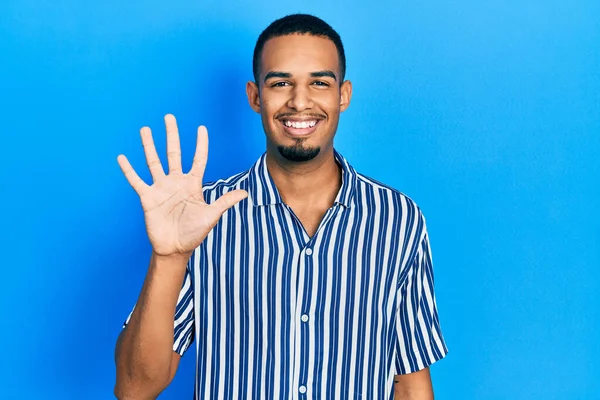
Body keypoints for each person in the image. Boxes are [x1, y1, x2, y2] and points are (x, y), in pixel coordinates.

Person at [114, 13, 448, 400]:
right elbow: (135, 388)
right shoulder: (204, 217)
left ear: (343, 95)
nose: (300, 101)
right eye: (281, 83)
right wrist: (169, 256)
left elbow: (410, 385)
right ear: (256, 97)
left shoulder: (398, 221)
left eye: (319, 83)